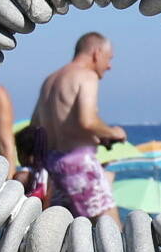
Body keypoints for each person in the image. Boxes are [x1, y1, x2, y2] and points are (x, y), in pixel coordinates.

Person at [32, 32, 121, 219]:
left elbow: (35, 126)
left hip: (54, 166)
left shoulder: (50, 80)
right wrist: (114, 133)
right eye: (109, 58)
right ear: (97, 53)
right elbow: (87, 121)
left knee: (66, 236)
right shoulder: (86, 75)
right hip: (80, 165)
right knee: (111, 231)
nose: (110, 66)